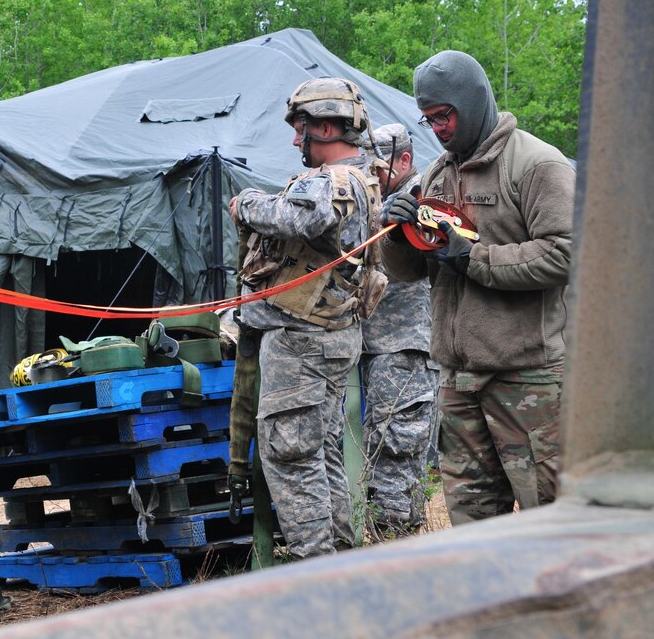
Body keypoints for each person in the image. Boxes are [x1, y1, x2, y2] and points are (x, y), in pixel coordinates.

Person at [379, 50, 574, 525]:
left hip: (527, 380)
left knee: (550, 521)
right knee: (471, 526)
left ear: (472, 102)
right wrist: (395, 232)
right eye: (428, 120)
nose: (438, 128)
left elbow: (567, 252)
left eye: (444, 115)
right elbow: (409, 271)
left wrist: (473, 258)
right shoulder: (435, 175)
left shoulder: (535, 165)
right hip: (459, 381)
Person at [229, 77, 382, 559]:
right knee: (321, 452)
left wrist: (247, 204)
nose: (296, 140)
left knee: (290, 457)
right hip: (330, 337)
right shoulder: (364, 178)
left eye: (301, 129)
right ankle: (339, 559)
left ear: (326, 126)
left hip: (303, 340)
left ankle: (317, 572)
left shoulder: (333, 183)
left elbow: (305, 218)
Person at [358, 123, 438, 536]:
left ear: (404, 161)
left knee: (396, 445)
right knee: (375, 445)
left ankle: (396, 541)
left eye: (378, 167)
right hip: (372, 345)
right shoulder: (378, 197)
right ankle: (383, 538)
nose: (370, 175)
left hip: (403, 346)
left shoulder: (423, 194)